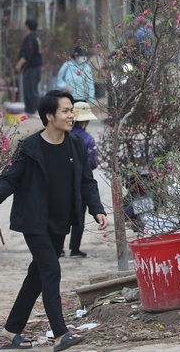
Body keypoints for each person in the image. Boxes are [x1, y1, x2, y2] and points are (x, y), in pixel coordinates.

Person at [0, 90, 107, 351]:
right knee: (51, 270)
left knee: (38, 274)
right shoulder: (29, 147)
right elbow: (11, 176)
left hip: (60, 220)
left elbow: (87, 181)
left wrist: (97, 210)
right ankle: (61, 334)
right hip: (34, 220)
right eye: (65, 110)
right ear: (49, 116)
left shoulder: (76, 144)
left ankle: (11, 330)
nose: (71, 115)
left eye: (71, 110)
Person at [66, 101, 99, 258]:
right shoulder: (87, 140)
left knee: (61, 213)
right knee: (79, 215)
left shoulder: (62, 135)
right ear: (85, 120)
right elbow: (92, 162)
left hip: (62, 182)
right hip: (81, 183)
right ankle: (74, 248)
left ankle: (58, 248)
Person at [15, 19, 43, 116]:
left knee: (31, 89)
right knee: (29, 88)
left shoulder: (30, 38)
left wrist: (19, 64)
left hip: (32, 67)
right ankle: (30, 110)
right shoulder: (35, 37)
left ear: (27, 27)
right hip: (35, 67)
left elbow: (27, 53)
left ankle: (40, 110)